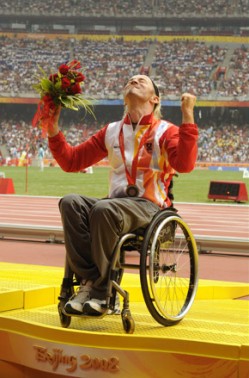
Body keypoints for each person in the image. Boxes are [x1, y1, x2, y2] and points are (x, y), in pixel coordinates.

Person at [47, 74, 198, 316]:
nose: (134, 80)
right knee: (70, 202)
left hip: (149, 207)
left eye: (142, 80)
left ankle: (101, 291)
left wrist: (188, 117)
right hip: (115, 206)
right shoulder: (111, 131)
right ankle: (91, 283)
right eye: (131, 79)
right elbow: (72, 161)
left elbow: (185, 164)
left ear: (155, 99)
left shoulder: (166, 131)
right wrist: (53, 130)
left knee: (104, 209)